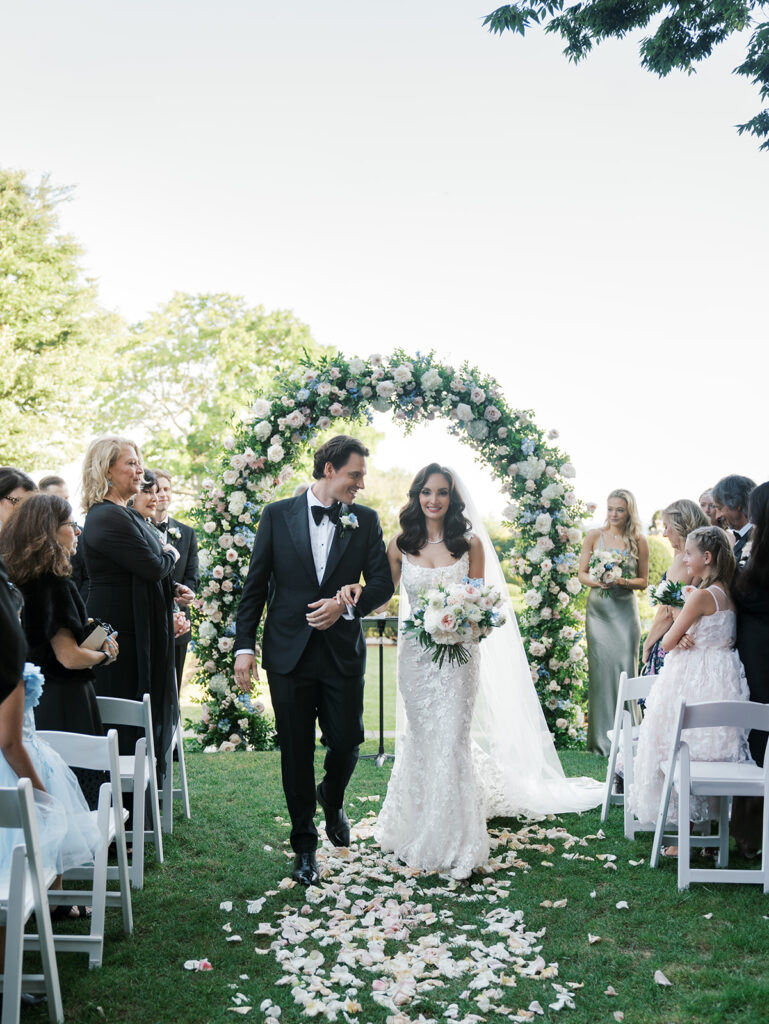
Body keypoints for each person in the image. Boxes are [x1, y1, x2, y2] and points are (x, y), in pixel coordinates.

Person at [368, 464, 603, 880]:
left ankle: (455, 837)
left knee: (452, 739)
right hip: (417, 660)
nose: (433, 500)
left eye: (442, 492)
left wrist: (464, 620)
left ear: (453, 498)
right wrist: (354, 593)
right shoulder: (399, 546)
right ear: (416, 495)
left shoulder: (469, 543)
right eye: (426, 492)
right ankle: (415, 825)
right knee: (423, 737)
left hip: (459, 656)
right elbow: (381, 600)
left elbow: (480, 604)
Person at [234, 435, 394, 886]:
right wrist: (244, 646)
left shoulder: (365, 520)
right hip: (288, 655)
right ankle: (304, 846)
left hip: (342, 653)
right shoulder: (276, 514)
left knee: (347, 742)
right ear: (329, 470)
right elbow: (256, 585)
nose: (360, 484)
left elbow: (381, 583)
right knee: (296, 752)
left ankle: (333, 796)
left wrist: (346, 605)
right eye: (354, 475)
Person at [628, 527, 749, 832]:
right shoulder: (727, 593)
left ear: (706, 558)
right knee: (709, 750)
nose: (684, 557)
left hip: (691, 676)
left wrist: (680, 632)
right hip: (721, 676)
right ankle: (708, 828)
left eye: (689, 553)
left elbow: (667, 641)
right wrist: (687, 632)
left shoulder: (702, 597)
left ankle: (683, 829)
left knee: (676, 744)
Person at [79, 437, 187, 770]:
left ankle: (139, 792)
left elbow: (145, 571)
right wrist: (170, 551)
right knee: (122, 714)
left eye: (139, 462)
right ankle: (121, 798)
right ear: (106, 470)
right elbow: (152, 566)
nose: (140, 469)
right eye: (130, 463)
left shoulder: (126, 515)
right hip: (117, 631)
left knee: (137, 711)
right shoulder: (107, 517)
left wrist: (170, 589)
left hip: (134, 626)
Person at [579, 489, 649, 755]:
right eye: (610, 509)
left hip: (624, 611)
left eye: (619, 510)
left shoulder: (639, 540)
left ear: (629, 511)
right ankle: (600, 742)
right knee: (601, 672)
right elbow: (581, 574)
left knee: (625, 669)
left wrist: (622, 581)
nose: (614, 514)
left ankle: (629, 740)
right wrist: (598, 581)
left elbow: (644, 582)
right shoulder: (594, 536)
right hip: (599, 611)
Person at [731, 481, 769, 856]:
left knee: (756, 734)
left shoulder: (758, 556)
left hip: (758, 655)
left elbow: (749, 596)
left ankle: (750, 836)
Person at [642, 500, 709, 676]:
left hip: (674, 640)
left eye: (667, 527)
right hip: (695, 638)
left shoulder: (682, 559)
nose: (664, 534)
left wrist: (648, 644)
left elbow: (667, 610)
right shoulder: (705, 556)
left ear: (681, 526)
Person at [150, 469, 200, 689]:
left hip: (179, 623)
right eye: (157, 489)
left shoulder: (187, 533)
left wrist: (188, 592)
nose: (163, 494)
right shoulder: (137, 529)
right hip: (149, 621)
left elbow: (192, 575)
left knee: (174, 688)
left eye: (167, 489)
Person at [712, 475, 756, 568]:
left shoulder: (758, 538)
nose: (718, 516)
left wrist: (728, 552)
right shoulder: (737, 538)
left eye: (720, 508)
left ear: (737, 504)